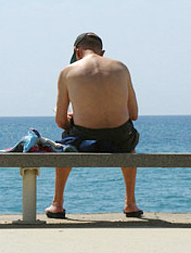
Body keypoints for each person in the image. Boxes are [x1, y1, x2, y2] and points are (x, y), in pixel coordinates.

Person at [45, 32, 143, 219]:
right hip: (120, 140)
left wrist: (75, 119)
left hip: (84, 138)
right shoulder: (121, 68)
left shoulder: (67, 72)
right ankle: (130, 203)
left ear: (77, 51)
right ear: (102, 52)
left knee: (65, 148)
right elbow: (134, 114)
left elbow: (60, 122)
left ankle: (57, 204)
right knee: (130, 150)